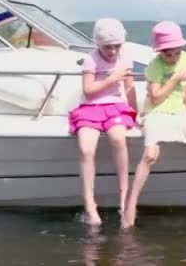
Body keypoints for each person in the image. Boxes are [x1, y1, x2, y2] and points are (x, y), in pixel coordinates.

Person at [122, 21, 186, 228]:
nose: (174, 57)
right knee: (150, 154)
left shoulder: (184, 58)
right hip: (156, 111)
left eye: (177, 52)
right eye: (168, 54)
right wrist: (174, 78)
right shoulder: (154, 66)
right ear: (160, 51)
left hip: (179, 112)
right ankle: (131, 202)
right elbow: (155, 97)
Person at [68, 18, 138, 226]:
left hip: (115, 107)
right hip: (91, 108)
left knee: (118, 139)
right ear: (98, 44)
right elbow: (88, 92)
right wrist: (111, 78)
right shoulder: (91, 60)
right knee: (86, 148)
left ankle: (124, 200)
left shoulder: (125, 59)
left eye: (117, 46)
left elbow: (129, 88)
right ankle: (90, 205)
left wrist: (136, 113)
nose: (113, 51)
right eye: (108, 47)